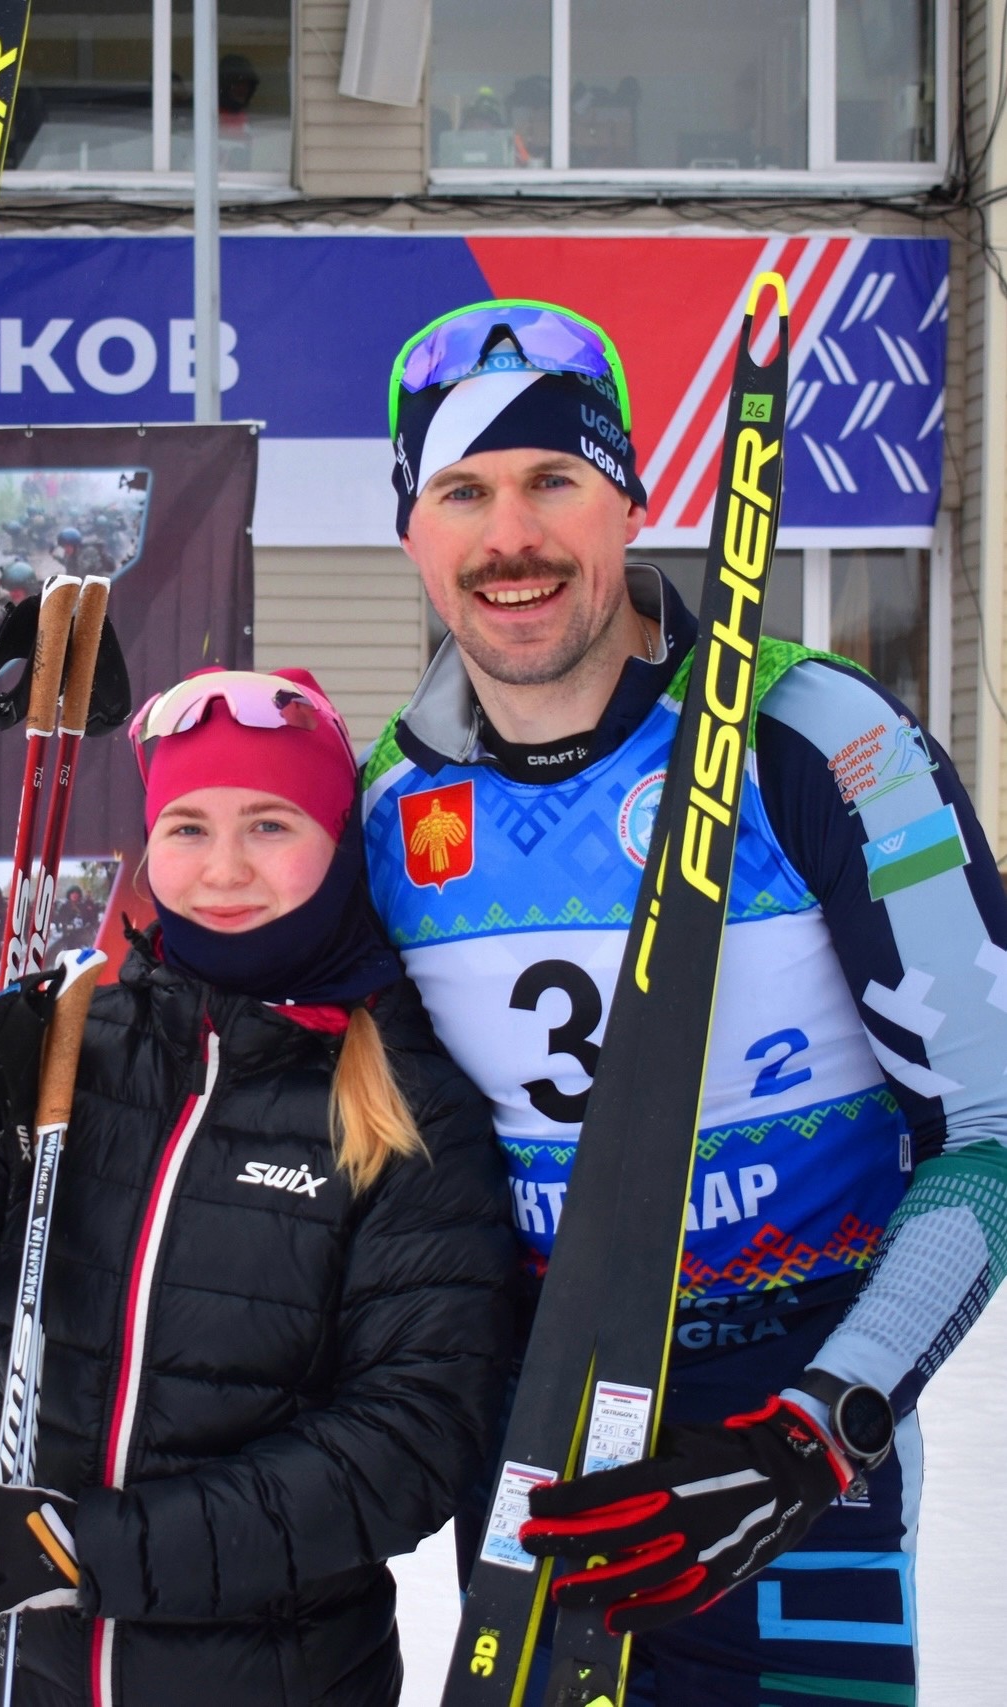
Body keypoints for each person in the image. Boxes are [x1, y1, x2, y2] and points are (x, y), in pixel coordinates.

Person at [362, 297, 1007, 1702]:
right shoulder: (389, 811)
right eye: (459, 490)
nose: (508, 535)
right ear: (410, 529)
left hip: (788, 1430)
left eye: (551, 480)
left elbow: (989, 1127)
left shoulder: (821, 739)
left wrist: (816, 1427)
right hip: (535, 1425)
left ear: (626, 496)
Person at [0, 666, 516, 1706]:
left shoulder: (409, 1104)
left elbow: (408, 1447)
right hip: (17, 1675)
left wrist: (98, 1553)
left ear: (335, 837)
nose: (224, 869)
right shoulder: (68, 1052)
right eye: (187, 827)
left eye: (271, 825)